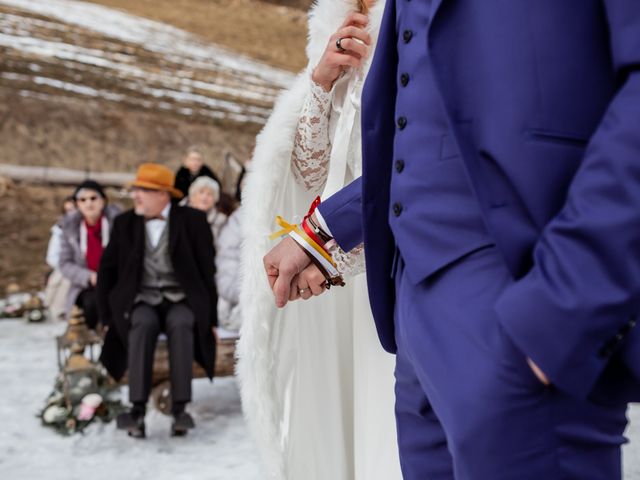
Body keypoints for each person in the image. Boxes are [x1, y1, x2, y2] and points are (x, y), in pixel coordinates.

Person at [263, 1, 640, 479]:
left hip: (526, 303)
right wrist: (318, 235)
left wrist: (568, 307)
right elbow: (424, 143)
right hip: (411, 329)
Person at [237, 1, 401, 479]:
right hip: (333, 262)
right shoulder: (333, 20)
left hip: (388, 259)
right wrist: (322, 81)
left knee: (389, 423)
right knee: (343, 423)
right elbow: (312, 170)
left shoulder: (409, 20)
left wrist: (334, 255)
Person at [97, 163, 218, 438]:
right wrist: (106, 318)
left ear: (164, 194)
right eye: (136, 189)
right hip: (142, 299)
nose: (136, 195)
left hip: (181, 298)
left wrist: (211, 319)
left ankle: (180, 408)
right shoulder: (124, 224)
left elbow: (207, 272)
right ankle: (137, 410)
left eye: (144, 190)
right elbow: (106, 272)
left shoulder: (193, 221)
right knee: (141, 323)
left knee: (182, 322)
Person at [58, 181, 120, 329]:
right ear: (77, 204)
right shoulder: (70, 228)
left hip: (115, 281)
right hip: (85, 285)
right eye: (83, 200)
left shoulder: (118, 223)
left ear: (103, 201)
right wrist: (88, 276)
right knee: (92, 304)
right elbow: (65, 263)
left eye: (93, 198)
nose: (89, 204)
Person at [44, 196, 76, 321]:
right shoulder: (59, 230)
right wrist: (64, 265)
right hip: (62, 266)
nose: (70, 214)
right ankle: (49, 307)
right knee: (57, 278)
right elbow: (51, 256)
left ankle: (61, 311)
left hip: (78, 267)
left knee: (66, 279)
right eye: (67, 210)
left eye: (73, 209)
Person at [183, 176, 228, 247]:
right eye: (201, 192)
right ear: (192, 195)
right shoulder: (179, 215)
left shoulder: (221, 221)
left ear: (215, 199)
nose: (205, 197)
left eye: (209, 194)